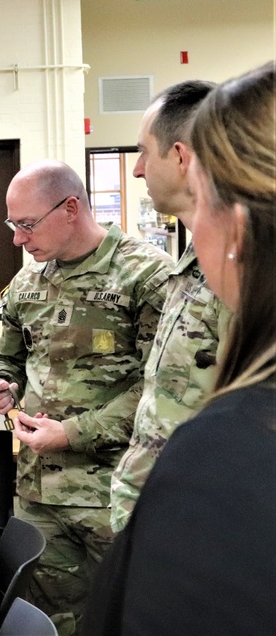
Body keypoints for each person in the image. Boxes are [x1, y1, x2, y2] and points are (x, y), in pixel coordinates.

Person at [85, 61, 276, 635]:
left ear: (237, 229)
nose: (137, 168)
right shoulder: (185, 273)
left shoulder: (234, 447)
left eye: (204, 198)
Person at [0, 159, 173, 635]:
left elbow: (164, 388)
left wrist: (73, 433)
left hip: (118, 491)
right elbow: (9, 360)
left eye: (26, 224)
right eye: (12, 225)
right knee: (53, 623)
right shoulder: (27, 283)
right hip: (41, 495)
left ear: (70, 208)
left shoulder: (146, 276)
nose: (18, 239)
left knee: (127, 619)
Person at [109, 80, 228, 532]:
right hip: (155, 518)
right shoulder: (193, 263)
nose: (137, 169)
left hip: (199, 529)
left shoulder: (240, 270)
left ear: (180, 157)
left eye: (144, 152)